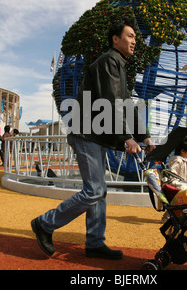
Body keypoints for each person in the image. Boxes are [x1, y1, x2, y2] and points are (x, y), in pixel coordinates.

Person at [31, 18, 155, 260]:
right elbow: (111, 102)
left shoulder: (118, 64)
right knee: (94, 190)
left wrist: (145, 137)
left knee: (99, 191)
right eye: (129, 36)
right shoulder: (109, 61)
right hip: (87, 134)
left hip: (96, 136)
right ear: (115, 39)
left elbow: (126, 105)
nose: (134, 41)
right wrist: (127, 138)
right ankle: (45, 224)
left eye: (134, 38)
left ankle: (95, 243)